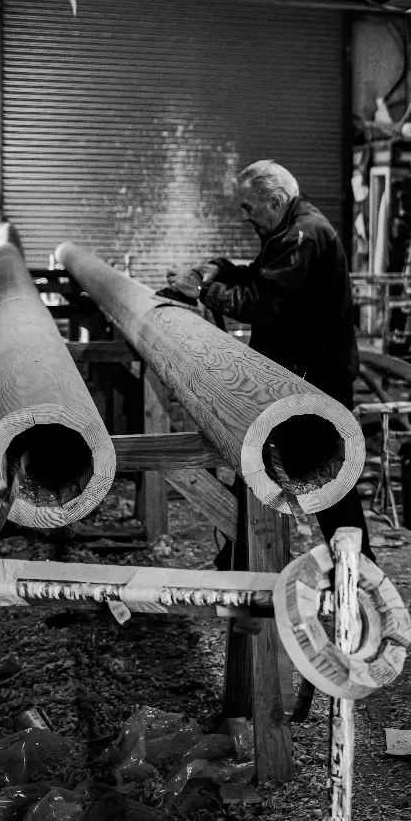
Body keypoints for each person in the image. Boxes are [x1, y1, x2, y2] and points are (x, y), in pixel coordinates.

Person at [168, 160, 369, 556]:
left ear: (275, 201)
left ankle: (358, 569)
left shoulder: (302, 236)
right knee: (270, 469)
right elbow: (262, 278)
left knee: (324, 480)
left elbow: (262, 303)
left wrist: (203, 293)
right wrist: (218, 269)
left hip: (313, 383)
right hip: (296, 380)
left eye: (249, 207)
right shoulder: (290, 231)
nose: (246, 217)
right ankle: (244, 557)